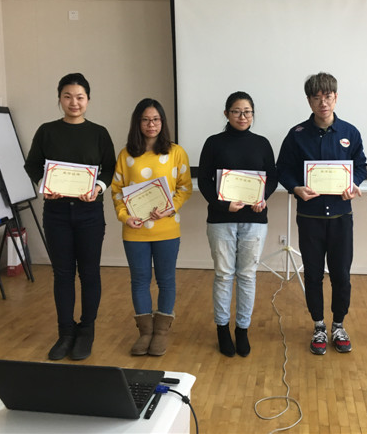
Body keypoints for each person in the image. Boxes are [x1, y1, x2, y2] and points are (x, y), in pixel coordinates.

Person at [24, 72, 115, 361]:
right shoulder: (47, 131)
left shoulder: (99, 133)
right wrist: (44, 185)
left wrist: (98, 188)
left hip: (89, 213)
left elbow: (110, 168)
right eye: (67, 96)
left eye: (79, 97)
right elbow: (32, 164)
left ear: (88, 100)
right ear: (59, 99)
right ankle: (65, 333)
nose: (74, 102)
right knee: (62, 274)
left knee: (89, 273)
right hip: (57, 214)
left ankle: (86, 331)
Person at [277, 73, 367, 355]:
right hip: (310, 218)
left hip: (341, 217)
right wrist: (295, 188)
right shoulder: (296, 134)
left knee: (341, 275)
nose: (323, 103)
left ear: (335, 97)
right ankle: (318, 325)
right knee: (313, 275)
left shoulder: (350, 132)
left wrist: (354, 184)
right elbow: (283, 169)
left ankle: (338, 325)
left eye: (327, 97)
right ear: (309, 101)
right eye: (316, 98)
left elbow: (361, 166)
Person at [110, 98, 192, 356]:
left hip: (167, 230)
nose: (151, 124)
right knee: (139, 281)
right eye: (145, 119)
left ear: (162, 122)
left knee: (166, 280)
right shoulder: (126, 154)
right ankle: (145, 332)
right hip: (134, 231)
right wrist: (124, 217)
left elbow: (185, 188)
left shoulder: (176, 152)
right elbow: (116, 191)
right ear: (137, 123)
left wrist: (170, 208)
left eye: (156, 119)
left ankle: (161, 333)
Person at [198, 91, 278, 357]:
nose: (242, 116)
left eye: (247, 112)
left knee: (247, 275)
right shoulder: (213, 143)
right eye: (236, 111)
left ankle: (242, 329)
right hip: (221, 219)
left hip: (254, 220)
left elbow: (272, 178)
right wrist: (223, 205)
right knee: (223, 275)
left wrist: (262, 198)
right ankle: (222, 329)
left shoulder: (262, 143)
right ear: (226, 114)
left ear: (253, 114)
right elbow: (204, 181)